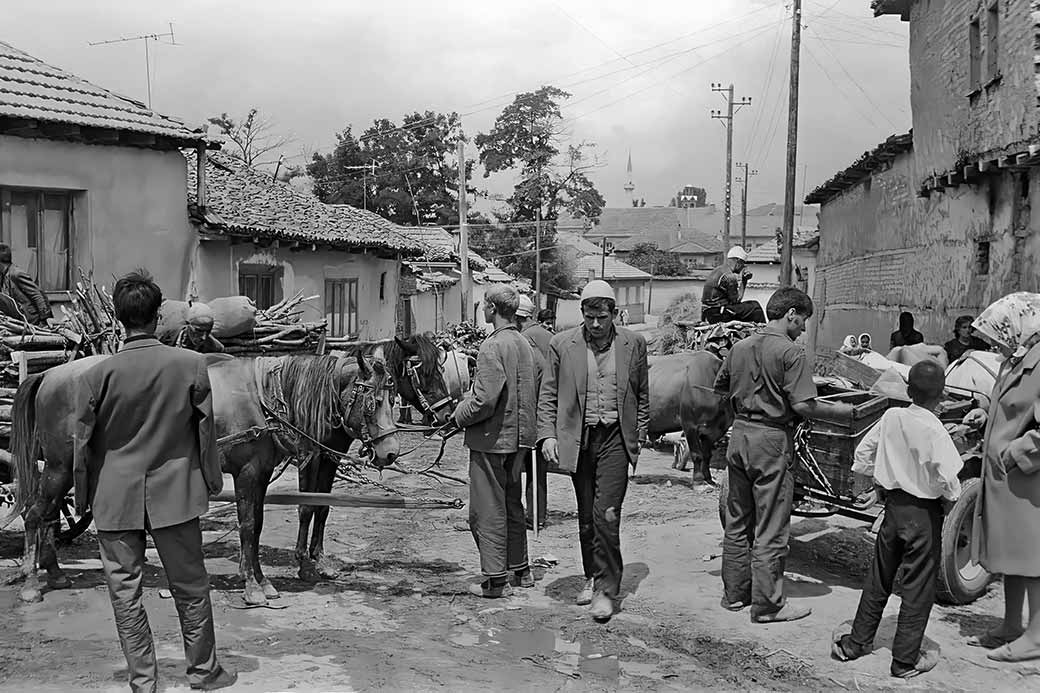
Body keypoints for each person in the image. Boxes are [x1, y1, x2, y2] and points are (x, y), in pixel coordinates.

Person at [74, 270, 235, 692]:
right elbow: (206, 432)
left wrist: (82, 497)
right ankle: (203, 673)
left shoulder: (96, 375)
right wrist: (212, 480)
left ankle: (144, 682)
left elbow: (82, 443)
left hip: (114, 496)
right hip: (176, 494)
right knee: (191, 587)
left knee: (125, 592)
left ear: (117, 316)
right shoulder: (191, 365)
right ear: (159, 314)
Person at [714, 287, 850, 623]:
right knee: (772, 525)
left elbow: (721, 388)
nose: (803, 328)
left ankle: (734, 595)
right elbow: (803, 405)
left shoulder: (739, 347)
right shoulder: (792, 354)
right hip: (772, 441)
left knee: (738, 521)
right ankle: (768, 606)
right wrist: (844, 412)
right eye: (802, 320)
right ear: (791, 314)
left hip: (740, 436)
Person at [832, 361, 962, 679]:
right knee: (917, 586)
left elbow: (864, 453)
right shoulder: (935, 429)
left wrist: (874, 485)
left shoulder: (892, 416)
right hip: (923, 514)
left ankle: (855, 644)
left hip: (893, 510)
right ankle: (904, 660)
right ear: (941, 395)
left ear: (907, 390)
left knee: (879, 576)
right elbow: (949, 479)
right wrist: (950, 499)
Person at [538, 279, 649, 622]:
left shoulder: (633, 344)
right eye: (589, 317)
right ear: (582, 314)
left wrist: (640, 433)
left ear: (614, 314)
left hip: (616, 437)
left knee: (607, 514)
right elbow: (549, 394)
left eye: (602, 317)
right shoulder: (562, 345)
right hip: (580, 439)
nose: (596, 324)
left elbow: (642, 394)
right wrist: (547, 436)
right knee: (587, 517)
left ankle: (606, 590)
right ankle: (592, 575)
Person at [960, 293, 1040, 662]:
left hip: (1028, 481)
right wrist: (984, 414)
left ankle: (1036, 637)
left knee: (1034, 559)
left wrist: (1014, 452)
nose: (994, 342)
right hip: (1006, 482)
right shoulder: (1018, 359)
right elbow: (1009, 407)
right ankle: (1011, 624)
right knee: (1011, 555)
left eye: (998, 333)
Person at [452, 284, 537, 598]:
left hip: (491, 441)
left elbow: (485, 401)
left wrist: (458, 415)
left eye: (483, 304)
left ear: (491, 308)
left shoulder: (492, 347)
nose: (482, 309)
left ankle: (495, 582)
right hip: (518, 442)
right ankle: (521, 571)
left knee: (487, 512)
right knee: (512, 505)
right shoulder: (523, 343)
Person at [515, 294, 548, 530]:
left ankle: (525, 516)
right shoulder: (550, 336)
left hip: (527, 413)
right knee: (538, 471)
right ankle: (539, 514)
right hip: (547, 413)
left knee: (518, 468)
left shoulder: (521, 341)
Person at [700, 246, 766, 324]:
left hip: (708, 312)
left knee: (746, 308)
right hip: (718, 313)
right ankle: (764, 331)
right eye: (743, 264)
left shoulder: (718, 270)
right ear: (738, 262)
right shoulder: (729, 276)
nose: (743, 267)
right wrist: (744, 281)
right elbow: (736, 301)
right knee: (755, 307)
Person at [0, 243, 52, 326]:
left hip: (30, 319)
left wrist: (46, 317)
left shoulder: (16, 274)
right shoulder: (4, 276)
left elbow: (37, 294)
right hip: (18, 317)